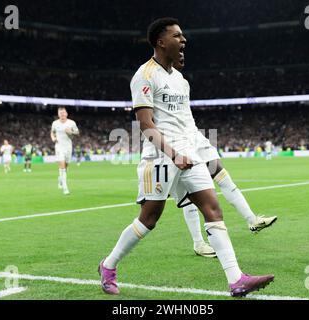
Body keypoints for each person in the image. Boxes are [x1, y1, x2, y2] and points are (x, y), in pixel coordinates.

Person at [98, 18, 274, 297]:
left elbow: (186, 122)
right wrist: (173, 153)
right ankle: (108, 266)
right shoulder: (144, 76)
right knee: (149, 219)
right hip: (159, 155)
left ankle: (236, 279)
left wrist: (198, 150)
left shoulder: (181, 81)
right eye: (177, 36)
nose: (184, 41)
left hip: (188, 154)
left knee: (213, 210)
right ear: (160, 41)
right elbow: (145, 125)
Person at [173, 59, 277, 258]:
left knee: (223, 177)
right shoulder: (152, 77)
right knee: (188, 197)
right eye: (177, 38)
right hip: (176, 141)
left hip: (194, 136)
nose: (182, 46)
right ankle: (198, 244)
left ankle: (252, 219)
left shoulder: (182, 82)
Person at [51, 107, 80, 195]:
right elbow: (52, 132)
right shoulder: (55, 123)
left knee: (66, 166)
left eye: (63, 113)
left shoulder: (71, 123)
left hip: (68, 147)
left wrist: (71, 132)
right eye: (60, 113)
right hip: (59, 147)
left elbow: (77, 133)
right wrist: (53, 138)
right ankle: (65, 187)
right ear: (58, 114)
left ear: (66, 114)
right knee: (62, 166)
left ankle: (60, 179)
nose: (62, 114)